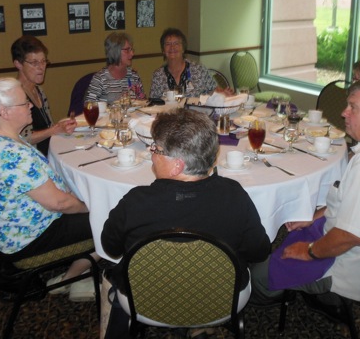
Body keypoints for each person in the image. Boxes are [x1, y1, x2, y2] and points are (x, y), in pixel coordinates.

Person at [250, 78, 360, 308]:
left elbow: (352, 235)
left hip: (349, 267)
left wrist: (309, 251)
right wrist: (315, 216)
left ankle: (289, 294)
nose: (344, 113)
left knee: (257, 277)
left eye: (353, 107)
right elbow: (352, 201)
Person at [102, 108, 270, 337]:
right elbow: (259, 251)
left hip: (144, 301)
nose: (151, 153)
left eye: (156, 148)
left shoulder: (135, 202)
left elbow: (110, 247)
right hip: (222, 301)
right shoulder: (235, 195)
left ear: (177, 165)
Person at [0, 77, 100, 301]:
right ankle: (69, 280)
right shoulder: (10, 154)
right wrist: (91, 207)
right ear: (4, 112)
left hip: (13, 226)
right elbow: (59, 203)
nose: (30, 106)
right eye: (24, 103)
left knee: (90, 199)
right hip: (28, 238)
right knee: (112, 218)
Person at [11, 36, 76, 156]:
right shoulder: (15, 95)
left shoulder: (38, 90)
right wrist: (55, 129)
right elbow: (21, 139)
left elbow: (48, 126)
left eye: (43, 61)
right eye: (34, 63)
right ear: (18, 64)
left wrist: (62, 127)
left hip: (50, 151)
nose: (41, 67)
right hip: (31, 157)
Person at [149, 28, 232, 99]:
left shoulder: (198, 69)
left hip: (197, 112)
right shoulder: (158, 75)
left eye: (176, 43)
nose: (172, 47)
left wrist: (223, 93)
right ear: (163, 50)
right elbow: (153, 102)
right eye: (168, 44)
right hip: (168, 113)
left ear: (183, 48)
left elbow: (214, 90)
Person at [84, 32, 146, 104]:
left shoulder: (134, 76)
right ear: (115, 52)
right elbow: (89, 105)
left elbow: (143, 102)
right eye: (127, 50)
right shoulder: (100, 79)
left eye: (132, 49)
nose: (132, 54)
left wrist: (140, 97)